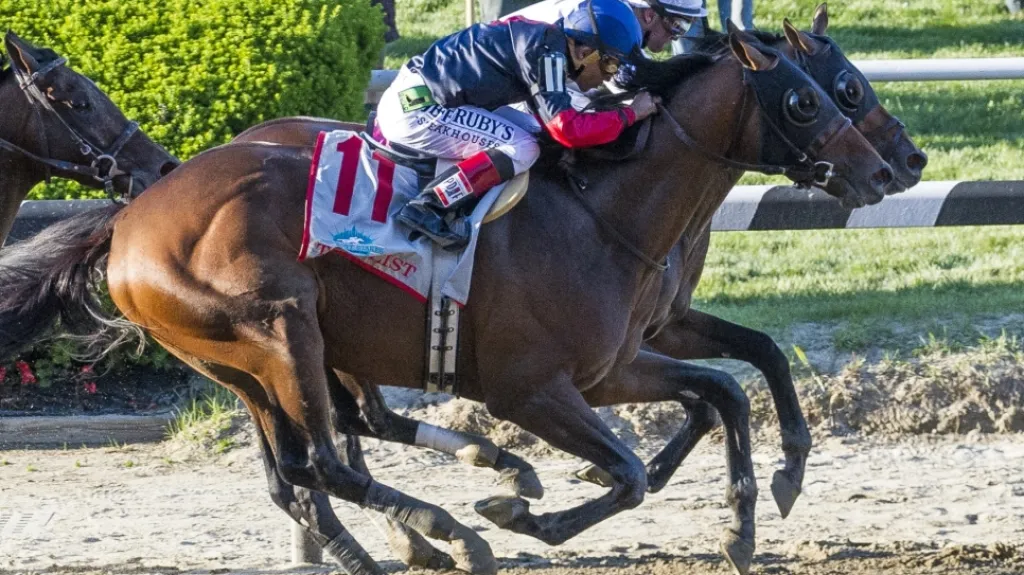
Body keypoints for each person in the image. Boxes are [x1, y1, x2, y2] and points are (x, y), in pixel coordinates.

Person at [376, 0, 660, 249]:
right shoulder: (547, 55)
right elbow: (567, 129)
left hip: (425, 94)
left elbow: (551, 127)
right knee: (522, 147)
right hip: (416, 109)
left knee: (535, 134)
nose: (610, 77)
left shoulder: (551, 43)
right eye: (611, 65)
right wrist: (629, 114)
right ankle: (429, 206)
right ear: (586, 53)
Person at [511, 0, 707, 54]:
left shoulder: (620, 15)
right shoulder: (616, 29)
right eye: (678, 25)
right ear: (650, 15)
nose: (676, 37)